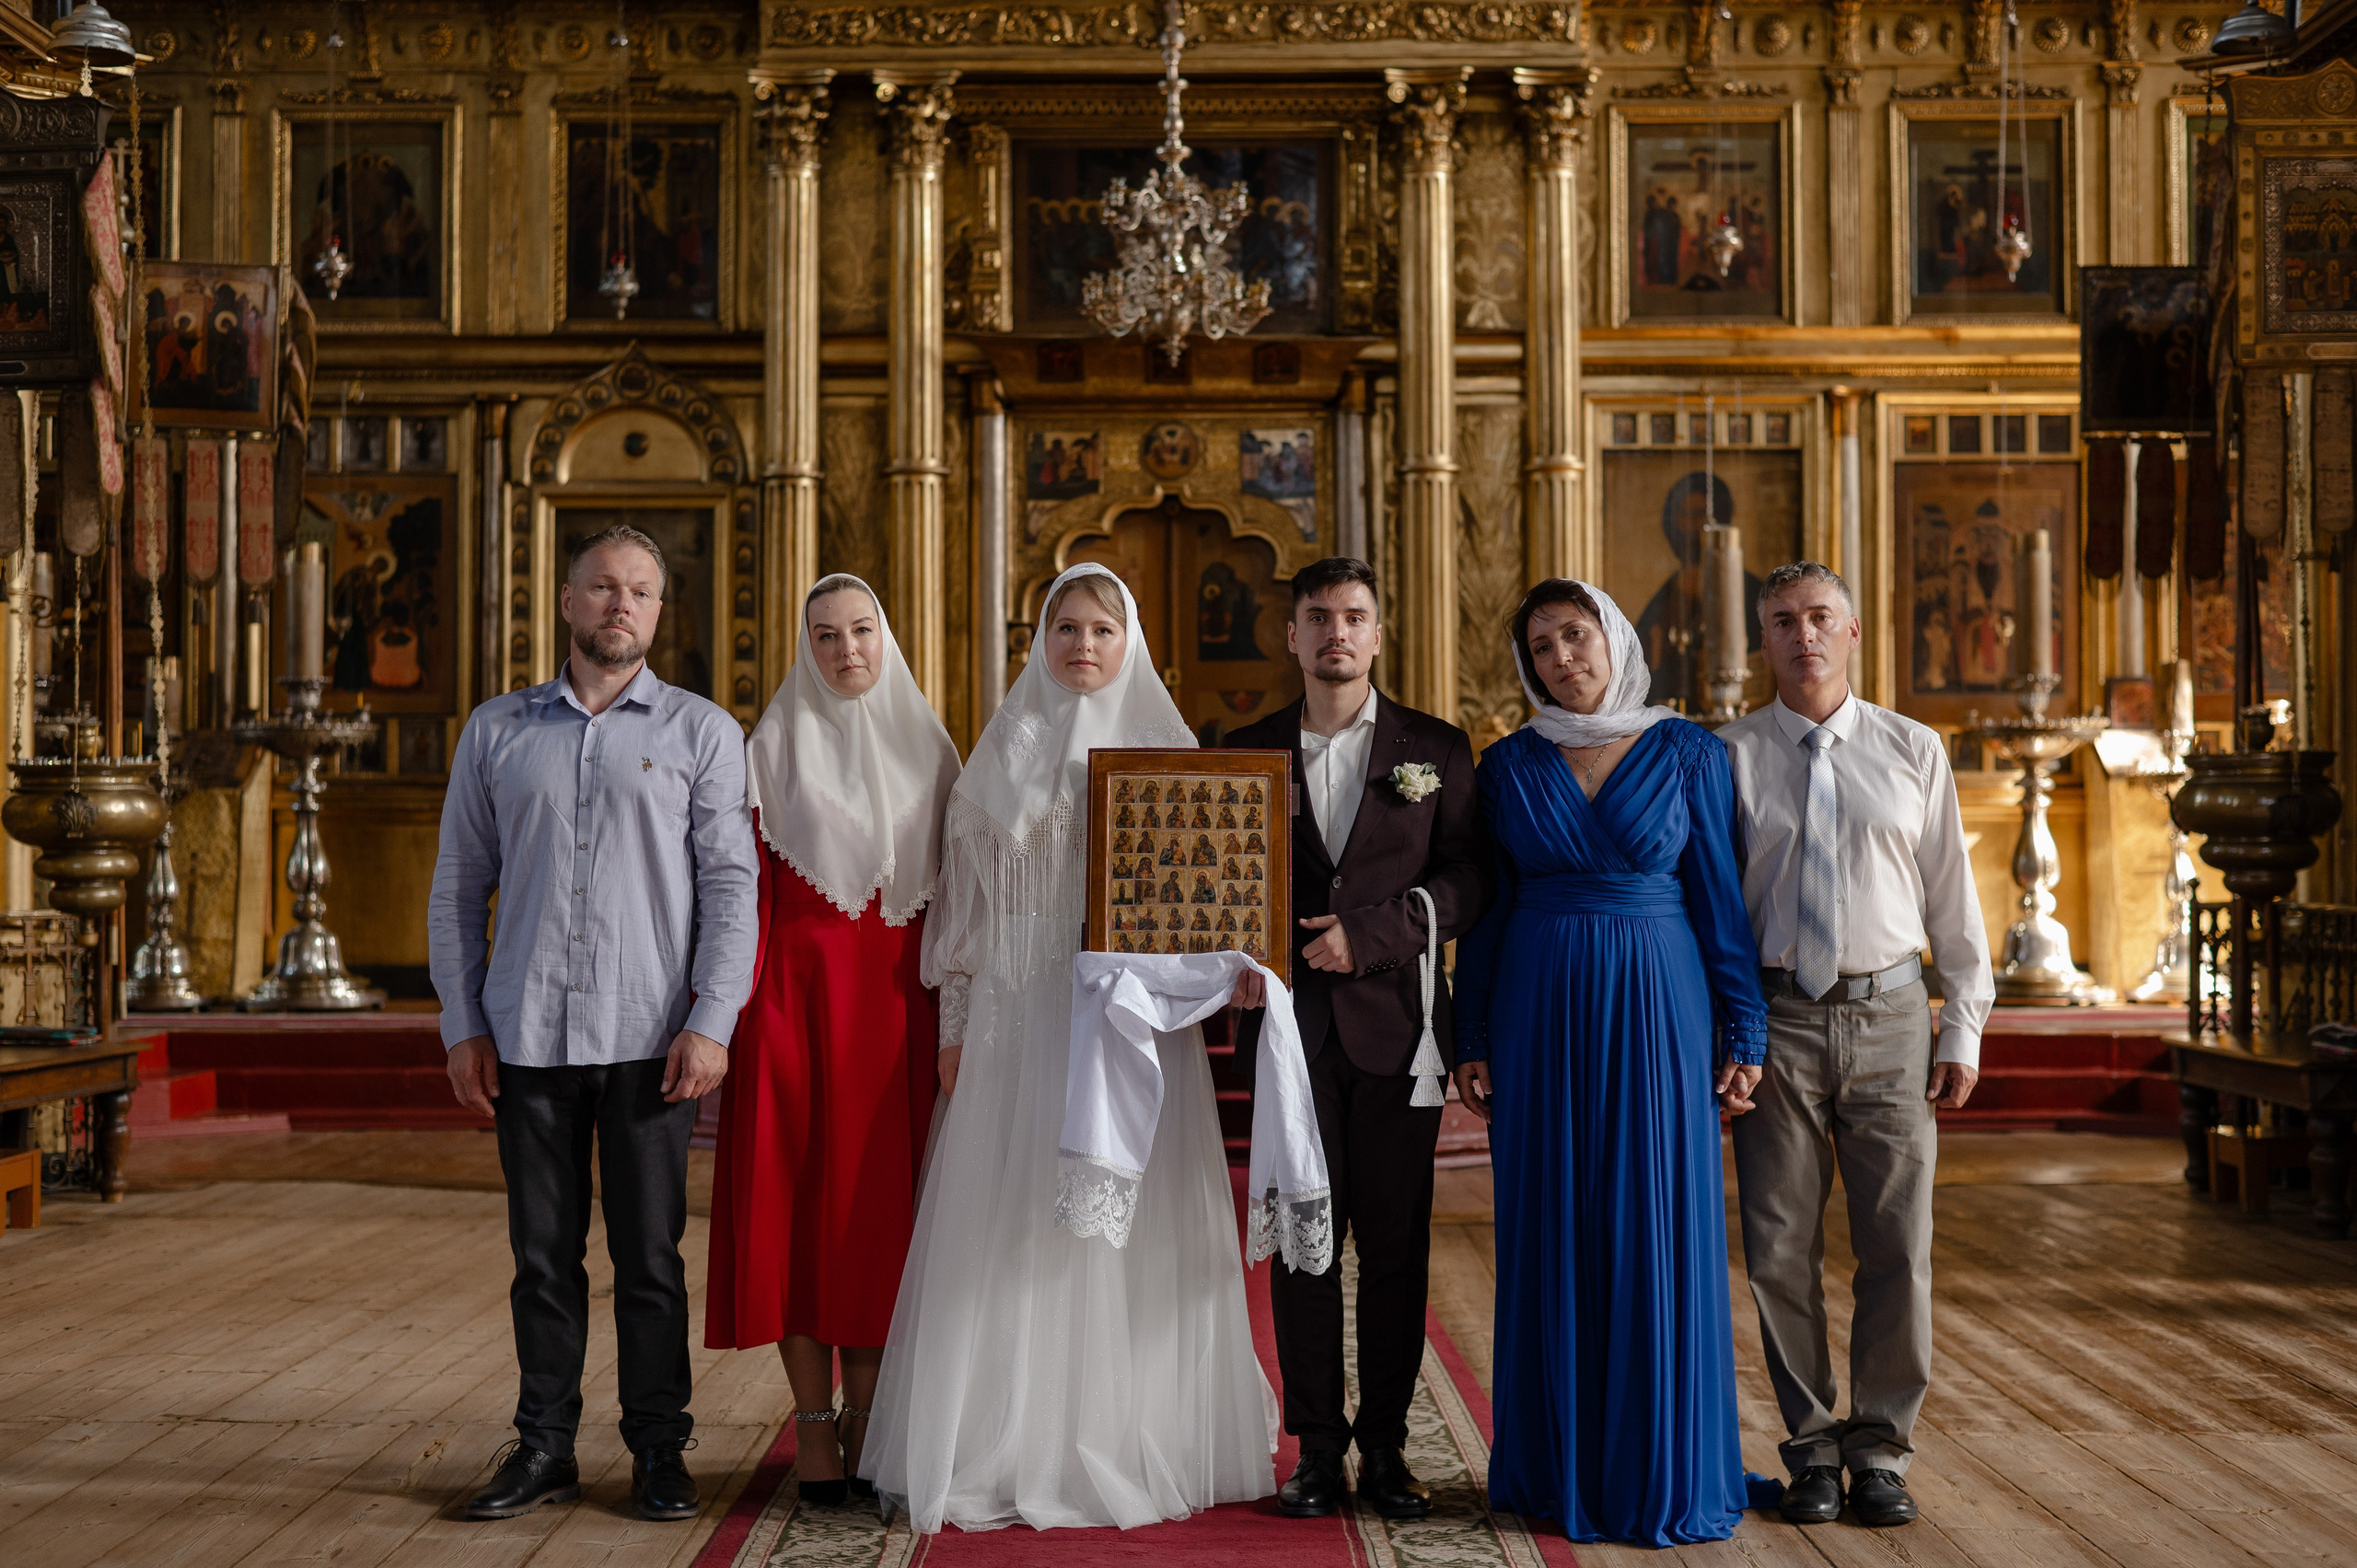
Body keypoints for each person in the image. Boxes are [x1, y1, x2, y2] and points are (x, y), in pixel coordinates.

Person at [860, 563, 1274, 1532]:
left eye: (1101, 628)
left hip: (1128, 1033)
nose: (1082, 644)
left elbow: (1213, 897)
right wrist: (955, 1033)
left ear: (1129, 643)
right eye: (1065, 627)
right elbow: (960, 917)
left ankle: (1130, 1430)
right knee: (1008, 1231)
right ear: (1038, 640)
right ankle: (1005, 1433)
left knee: (1124, 1232)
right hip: (1012, 1026)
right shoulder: (992, 760)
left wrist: (1225, 968)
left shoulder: (1170, 756)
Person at [428, 524, 759, 1525]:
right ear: (568, 601)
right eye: (605, 587)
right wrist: (461, 1020)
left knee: (649, 1258)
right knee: (542, 1252)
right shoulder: (495, 730)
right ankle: (544, 1445)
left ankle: (659, 1448)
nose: (623, 605)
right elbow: (457, 888)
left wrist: (712, 1019)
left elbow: (732, 888)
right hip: (525, 1033)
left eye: (643, 592)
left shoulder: (704, 731)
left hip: (653, 1037)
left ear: (660, 612)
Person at [1450, 579, 1767, 1546]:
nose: (1560, 658)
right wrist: (1472, 1035)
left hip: (1658, 1006)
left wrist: (1743, 1033)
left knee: (1650, 1216)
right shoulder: (1503, 766)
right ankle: (1554, 1463)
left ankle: (1657, 1464)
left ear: (1613, 640)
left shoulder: (1687, 752)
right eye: (1540, 645)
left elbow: (1720, 901)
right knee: (1549, 1218)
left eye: (1574, 636)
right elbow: (1490, 912)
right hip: (1536, 1006)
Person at [1719, 563, 1992, 1529]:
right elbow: (1712, 909)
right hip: (1778, 1021)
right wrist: (1728, 1031)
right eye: (1784, 621)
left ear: (1854, 629)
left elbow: (1953, 900)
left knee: (1896, 1246)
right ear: (1764, 640)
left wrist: (1960, 1019)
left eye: (1820, 617)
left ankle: (1878, 1445)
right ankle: (1808, 1447)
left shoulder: (1912, 749)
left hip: (1888, 1016)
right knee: (1778, 1246)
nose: (1804, 636)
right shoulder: (1731, 756)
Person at [1227, 557, 1491, 1521]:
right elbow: (1220, 878)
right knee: (1303, 1250)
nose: (1335, 632)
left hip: (1401, 1031)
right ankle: (1316, 1449)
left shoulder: (1436, 747)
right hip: (1289, 1037)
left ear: (1378, 633)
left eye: (1353, 616)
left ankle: (1385, 1445)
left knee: (1393, 1247)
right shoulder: (1245, 747)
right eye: (1316, 617)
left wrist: (1372, 935)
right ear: (1290, 636)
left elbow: (1468, 880)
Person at [705, 575, 961, 1506]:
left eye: (860, 631)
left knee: (881, 1216)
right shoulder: (766, 748)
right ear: (802, 647)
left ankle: (872, 1414)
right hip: (790, 1007)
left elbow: (960, 903)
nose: (846, 650)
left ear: (885, 640)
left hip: (899, 1012)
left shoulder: (935, 754)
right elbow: (741, 898)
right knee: (798, 1216)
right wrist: (732, 1016)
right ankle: (814, 1428)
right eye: (824, 635)